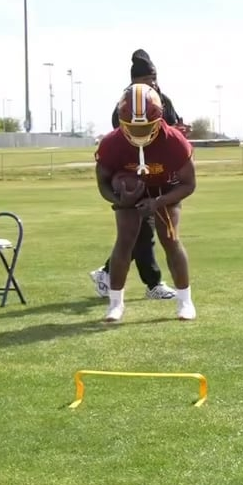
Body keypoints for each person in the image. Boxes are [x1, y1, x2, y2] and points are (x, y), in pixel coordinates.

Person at [89, 49, 189, 300]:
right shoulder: (125, 106)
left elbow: (166, 131)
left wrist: (179, 132)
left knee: (148, 235)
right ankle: (151, 283)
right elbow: (126, 142)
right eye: (146, 79)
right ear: (134, 81)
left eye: (154, 78)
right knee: (139, 234)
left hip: (160, 177)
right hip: (134, 178)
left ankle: (108, 273)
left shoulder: (162, 100)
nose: (152, 83)